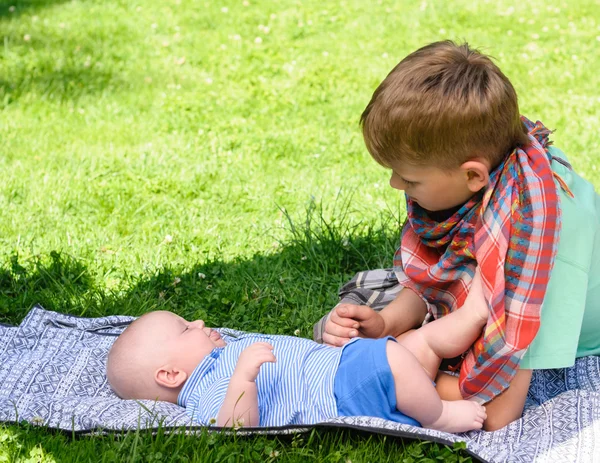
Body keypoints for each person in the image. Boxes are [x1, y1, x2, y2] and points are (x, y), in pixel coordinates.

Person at [320, 40, 600, 431]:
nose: (393, 183)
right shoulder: (478, 173)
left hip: (558, 328)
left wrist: (403, 374)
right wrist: (385, 326)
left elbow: (497, 415)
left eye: (409, 178)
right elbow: (430, 282)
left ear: (473, 175)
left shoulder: (537, 247)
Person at [106, 270, 488, 433]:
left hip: (345, 367)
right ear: (171, 375)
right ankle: (438, 417)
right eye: (186, 328)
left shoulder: (220, 354)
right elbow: (234, 430)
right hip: (339, 393)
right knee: (393, 358)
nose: (200, 324)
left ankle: (478, 311)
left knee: (418, 344)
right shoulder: (208, 392)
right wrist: (243, 378)